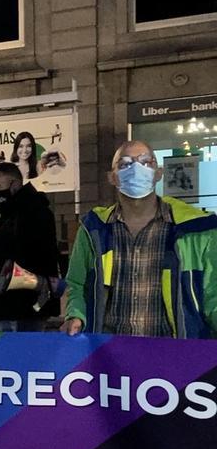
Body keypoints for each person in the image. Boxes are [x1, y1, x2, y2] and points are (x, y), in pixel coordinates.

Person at [63, 140, 217, 338]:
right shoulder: (94, 230)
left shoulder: (196, 231)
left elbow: (213, 291)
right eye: (125, 164)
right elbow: (76, 283)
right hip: (110, 355)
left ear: (158, 173)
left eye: (146, 162)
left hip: (173, 354)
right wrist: (75, 316)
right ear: (112, 177)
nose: (136, 169)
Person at [0, 162, 61, 331]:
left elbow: (33, 258)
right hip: (4, 306)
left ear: (15, 183)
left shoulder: (35, 212)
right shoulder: (10, 214)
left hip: (22, 307)